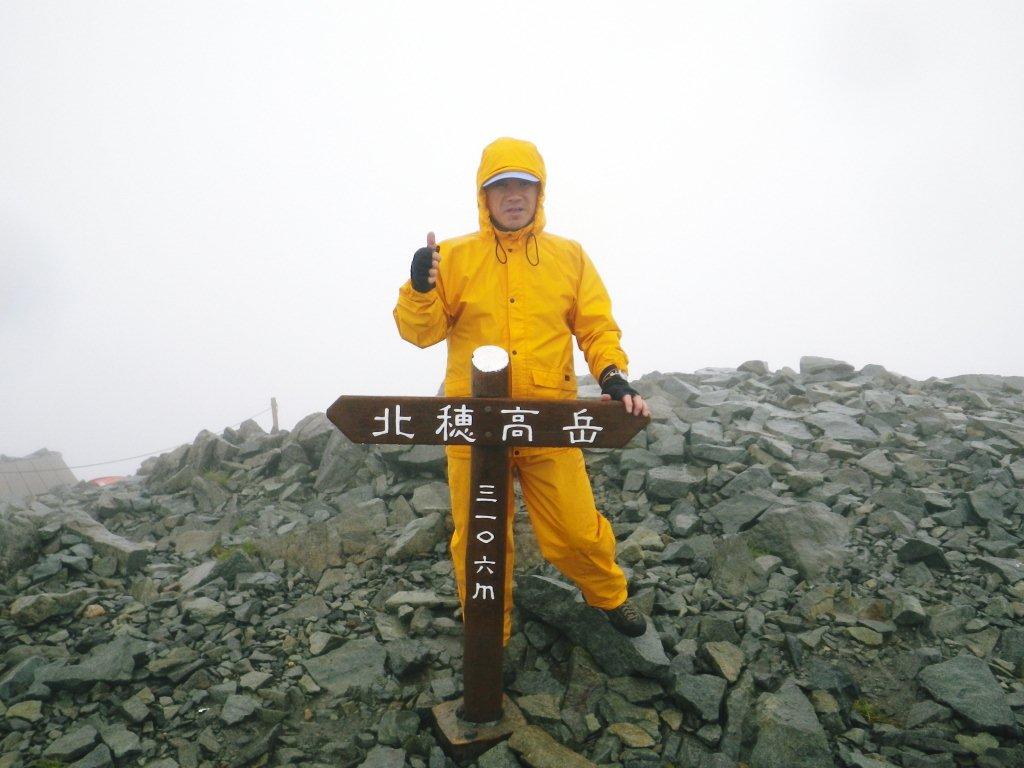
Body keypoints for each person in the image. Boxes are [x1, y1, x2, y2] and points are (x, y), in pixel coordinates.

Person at [393, 136, 651, 642]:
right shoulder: (453, 256)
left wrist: (612, 375)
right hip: (473, 423)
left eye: (524, 185)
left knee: (576, 529)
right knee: (480, 540)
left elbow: (596, 327)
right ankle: (490, 639)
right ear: (483, 196)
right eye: (501, 186)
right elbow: (421, 333)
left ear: (540, 192)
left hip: (548, 418)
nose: (514, 195)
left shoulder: (569, 257)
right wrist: (420, 288)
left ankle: (608, 596)